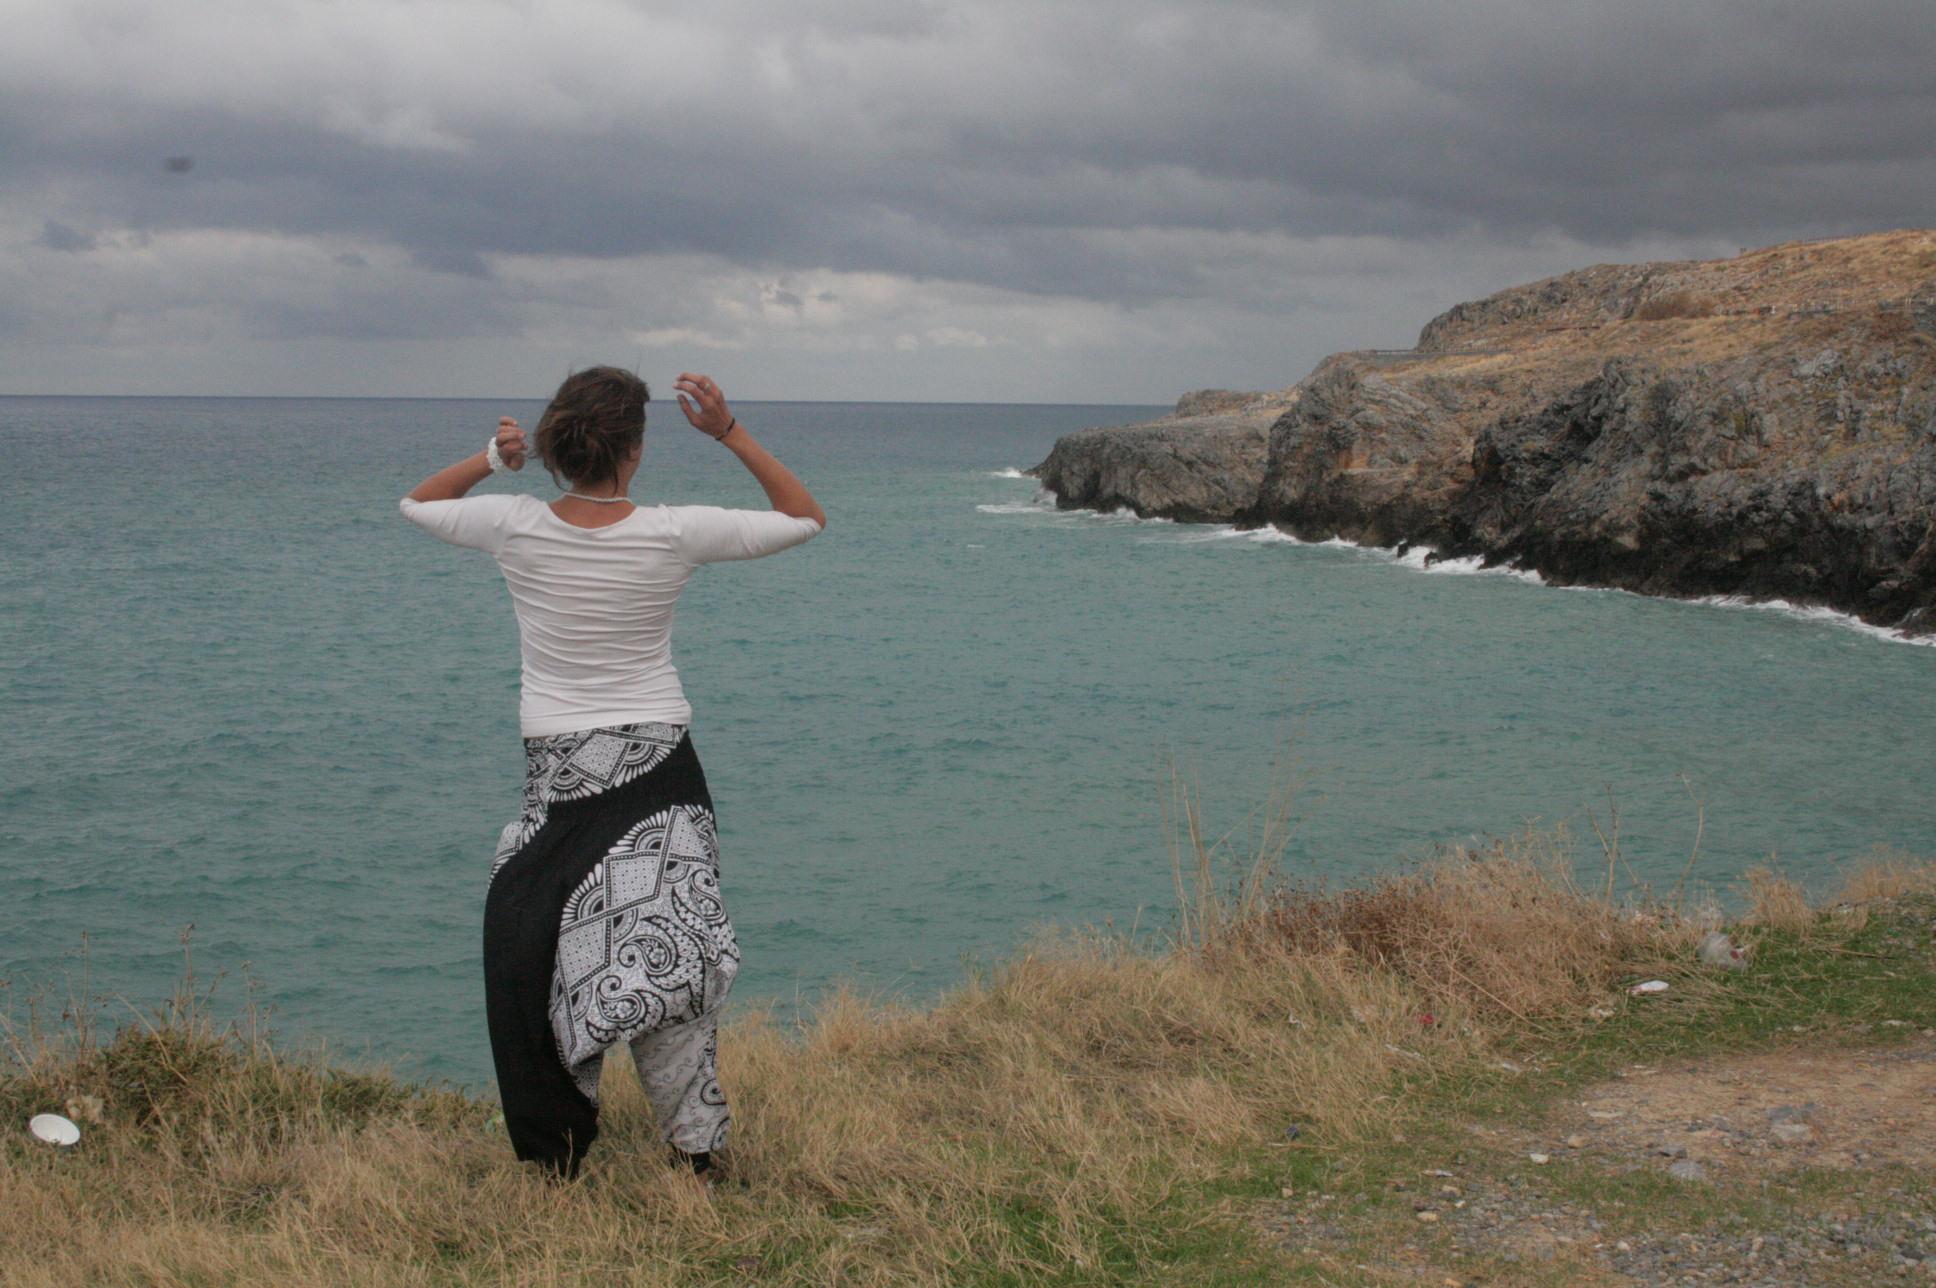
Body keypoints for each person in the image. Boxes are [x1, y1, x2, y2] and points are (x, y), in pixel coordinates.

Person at [399, 367, 824, 1181]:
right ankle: (698, 1152)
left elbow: (416, 503)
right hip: (660, 774)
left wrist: (493, 457)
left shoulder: (513, 524)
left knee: (540, 958)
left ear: (557, 443)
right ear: (633, 449)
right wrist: (728, 431)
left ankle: (559, 1152)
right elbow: (804, 517)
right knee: (672, 963)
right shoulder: (671, 531)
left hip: (561, 780)